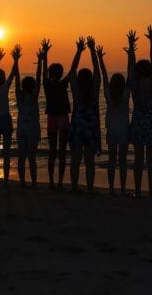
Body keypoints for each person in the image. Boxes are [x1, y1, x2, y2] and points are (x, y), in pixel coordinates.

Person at [42, 38, 81, 189]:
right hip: (63, 118)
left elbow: (44, 71)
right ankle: (58, 182)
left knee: (52, 151)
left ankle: (52, 182)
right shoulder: (63, 84)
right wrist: (78, 51)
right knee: (62, 151)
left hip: (52, 118)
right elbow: (73, 69)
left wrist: (45, 54)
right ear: (60, 73)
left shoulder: (46, 84)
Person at [129, 28, 152, 198]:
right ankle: (151, 192)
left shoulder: (134, 85)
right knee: (151, 160)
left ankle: (137, 191)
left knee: (138, 159)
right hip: (150, 120)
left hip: (138, 121)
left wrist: (131, 46)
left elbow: (130, 68)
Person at [68, 36, 101, 195]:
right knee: (89, 161)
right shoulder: (94, 91)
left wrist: (78, 52)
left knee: (75, 160)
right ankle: (89, 189)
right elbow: (97, 72)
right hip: (90, 129)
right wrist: (92, 51)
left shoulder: (77, 92)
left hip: (77, 128)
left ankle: (74, 188)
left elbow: (72, 73)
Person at [97, 43, 131, 197]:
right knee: (122, 162)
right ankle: (123, 189)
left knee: (112, 162)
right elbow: (130, 75)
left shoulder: (109, 96)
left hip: (111, 132)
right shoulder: (125, 96)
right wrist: (130, 54)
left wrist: (100, 58)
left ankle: (111, 189)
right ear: (123, 84)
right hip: (123, 131)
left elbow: (104, 76)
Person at [0, 46, 19, 185]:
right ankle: (5, 179)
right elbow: (13, 74)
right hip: (5, 118)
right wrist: (16, 60)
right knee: (6, 152)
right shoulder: (4, 88)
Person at [15, 46, 43, 188]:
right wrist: (40, 61)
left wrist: (16, 61)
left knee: (21, 156)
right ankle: (33, 182)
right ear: (32, 87)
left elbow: (17, 79)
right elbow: (39, 79)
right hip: (32, 129)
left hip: (21, 129)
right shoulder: (33, 97)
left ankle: (22, 182)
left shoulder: (19, 97)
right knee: (31, 158)